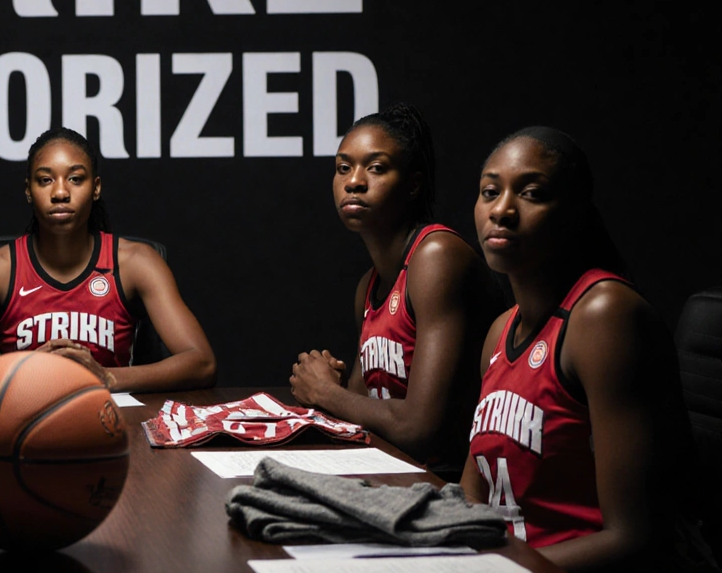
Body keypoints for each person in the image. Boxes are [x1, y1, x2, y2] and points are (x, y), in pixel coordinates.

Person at [461, 127, 698, 571]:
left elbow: (635, 537)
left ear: (573, 213)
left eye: (531, 194)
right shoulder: (499, 332)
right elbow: (472, 497)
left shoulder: (604, 316)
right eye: (489, 191)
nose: (502, 210)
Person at [0, 127, 217, 393]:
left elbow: (201, 363)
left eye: (75, 178)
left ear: (95, 188)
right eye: (45, 180)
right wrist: (17, 373)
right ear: (28, 191)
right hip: (20, 418)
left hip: (110, 421)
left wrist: (107, 378)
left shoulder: (136, 263)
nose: (60, 192)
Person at [289, 104, 500, 476]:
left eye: (376, 167)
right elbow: (358, 411)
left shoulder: (437, 256)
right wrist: (333, 386)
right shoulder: (367, 287)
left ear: (413, 183)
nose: (354, 181)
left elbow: (419, 428)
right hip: (392, 477)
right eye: (343, 168)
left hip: (450, 486)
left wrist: (325, 392)